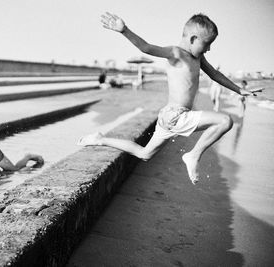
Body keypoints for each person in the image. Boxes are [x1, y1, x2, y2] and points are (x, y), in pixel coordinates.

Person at [78, 12, 257, 184]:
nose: (209, 49)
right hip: (176, 115)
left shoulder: (198, 57)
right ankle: (193, 155)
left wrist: (239, 90)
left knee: (144, 154)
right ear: (193, 39)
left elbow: (215, 75)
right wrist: (125, 30)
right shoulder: (176, 53)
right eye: (207, 44)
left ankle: (100, 139)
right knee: (225, 121)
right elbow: (146, 47)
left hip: (169, 117)